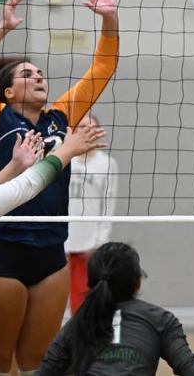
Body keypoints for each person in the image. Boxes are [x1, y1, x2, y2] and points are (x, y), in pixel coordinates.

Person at [0, 0, 119, 376]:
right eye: (28, 74)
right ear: (8, 91)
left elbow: (102, 69)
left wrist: (109, 20)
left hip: (50, 251)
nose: (39, 77)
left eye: (41, 73)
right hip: (0, 248)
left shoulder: (59, 117)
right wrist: (3, 28)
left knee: (39, 365)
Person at [0, 125, 107, 376]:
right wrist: (66, 150)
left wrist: (14, 165)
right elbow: (27, 187)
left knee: (38, 360)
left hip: (48, 259)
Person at [39, 242, 194, 376]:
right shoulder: (161, 319)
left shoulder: (77, 324)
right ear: (138, 282)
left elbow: (45, 372)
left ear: (90, 284)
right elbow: (189, 368)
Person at [66, 113, 119, 315]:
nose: (87, 131)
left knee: (83, 295)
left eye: (91, 127)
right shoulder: (64, 158)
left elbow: (109, 202)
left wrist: (101, 237)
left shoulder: (107, 164)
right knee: (58, 296)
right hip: (60, 237)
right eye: (82, 127)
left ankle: (82, 339)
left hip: (88, 241)